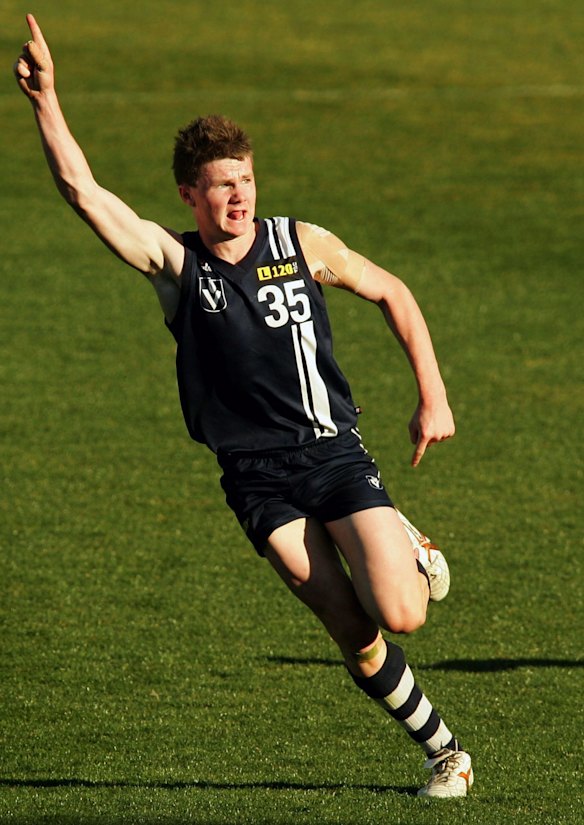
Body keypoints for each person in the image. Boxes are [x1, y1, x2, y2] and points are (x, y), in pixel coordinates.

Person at [14, 14, 473, 798]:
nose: (239, 197)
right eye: (222, 185)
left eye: (247, 181)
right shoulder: (175, 266)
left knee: (402, 613)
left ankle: (397, 532)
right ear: (189, 194)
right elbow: (83, 192)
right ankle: (444, 752)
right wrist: (47, 101)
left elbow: (392, 289)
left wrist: (432, 395)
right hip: (255, 478)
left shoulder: (301, 243)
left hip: (332, 453)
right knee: (349, 627)